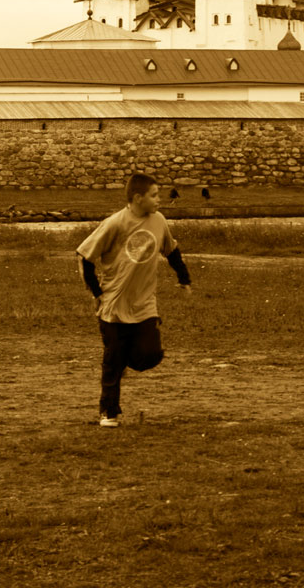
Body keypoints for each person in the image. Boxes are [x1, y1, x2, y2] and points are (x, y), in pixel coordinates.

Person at [76, 173, 192, 427]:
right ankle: (109, 412)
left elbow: (171, 249)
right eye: (154, 195)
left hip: (144, 304)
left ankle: (124, 358)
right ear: (138, 198)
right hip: (114, 304)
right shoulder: (115, 223)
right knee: (112, 362)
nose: (159, 200)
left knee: (150, 355)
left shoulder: (159, 220)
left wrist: (184, 277)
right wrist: (96, 293)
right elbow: (85, 256)